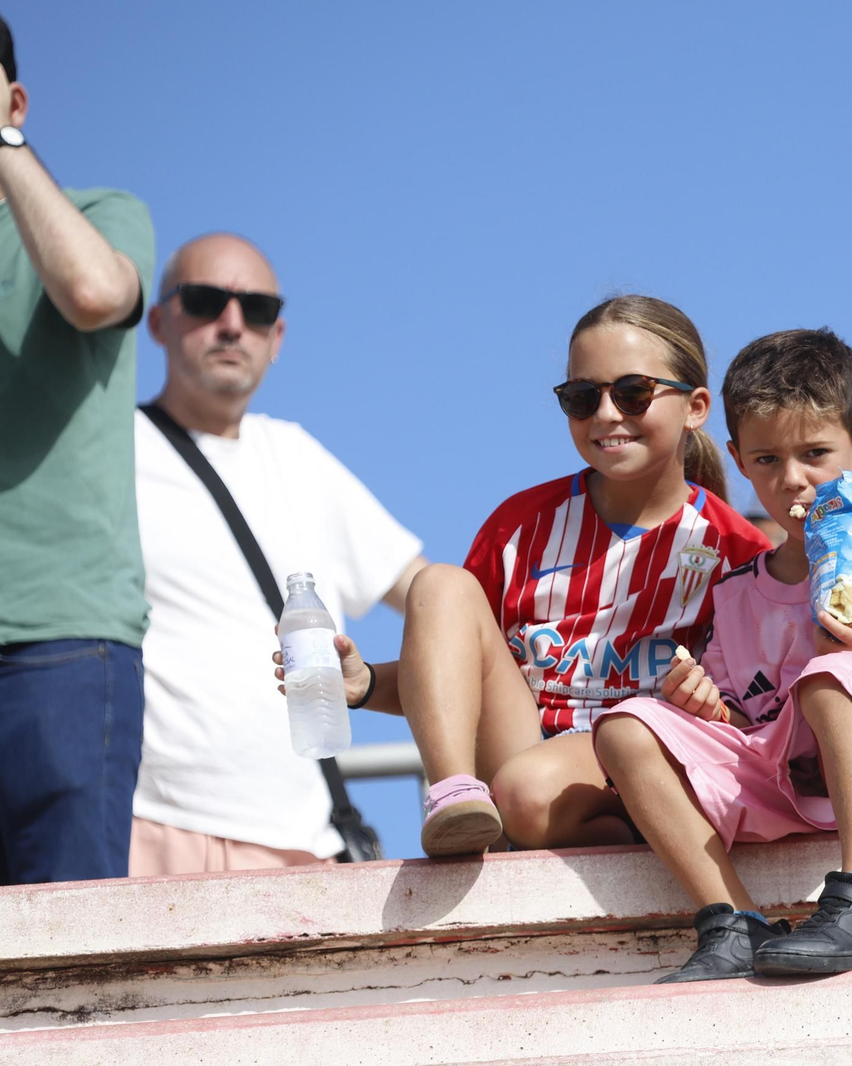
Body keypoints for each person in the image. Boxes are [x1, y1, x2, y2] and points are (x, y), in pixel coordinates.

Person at [282, 295, 769, 857]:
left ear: (696, 406)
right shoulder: (519, 525)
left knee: (527, 789)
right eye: (582, 398)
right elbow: (461, 671)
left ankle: (629, 829)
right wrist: (363, 683)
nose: (607, 415)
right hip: (520, 768)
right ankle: (453, 799)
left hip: (649, 761)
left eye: (633, 393)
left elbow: (761, 718)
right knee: (439, 585)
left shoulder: (738, 551)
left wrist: (708, 705)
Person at [593, 328, 852, 983]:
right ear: (737, 460)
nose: (794, 480)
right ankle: (733, 921)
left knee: (831, 674)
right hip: (787, 781)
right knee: (627, 726)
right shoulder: (736, 592)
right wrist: (701, 705)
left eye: (815, 453)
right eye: (768, 459)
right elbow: (746, 730)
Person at [131, 233, 426, 874]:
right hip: (149, 831)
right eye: (207, 301)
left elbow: (432, 594)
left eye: (256, 310)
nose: (233, 325)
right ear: (157, 322)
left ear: (278, 336)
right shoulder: (112, 452)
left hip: (304, 843)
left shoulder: (296, 457)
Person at [0, 18, 156, 885]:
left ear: (16, 99)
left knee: (63, 951)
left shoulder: (102, 215)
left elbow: (94, 291)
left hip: (55, 641)